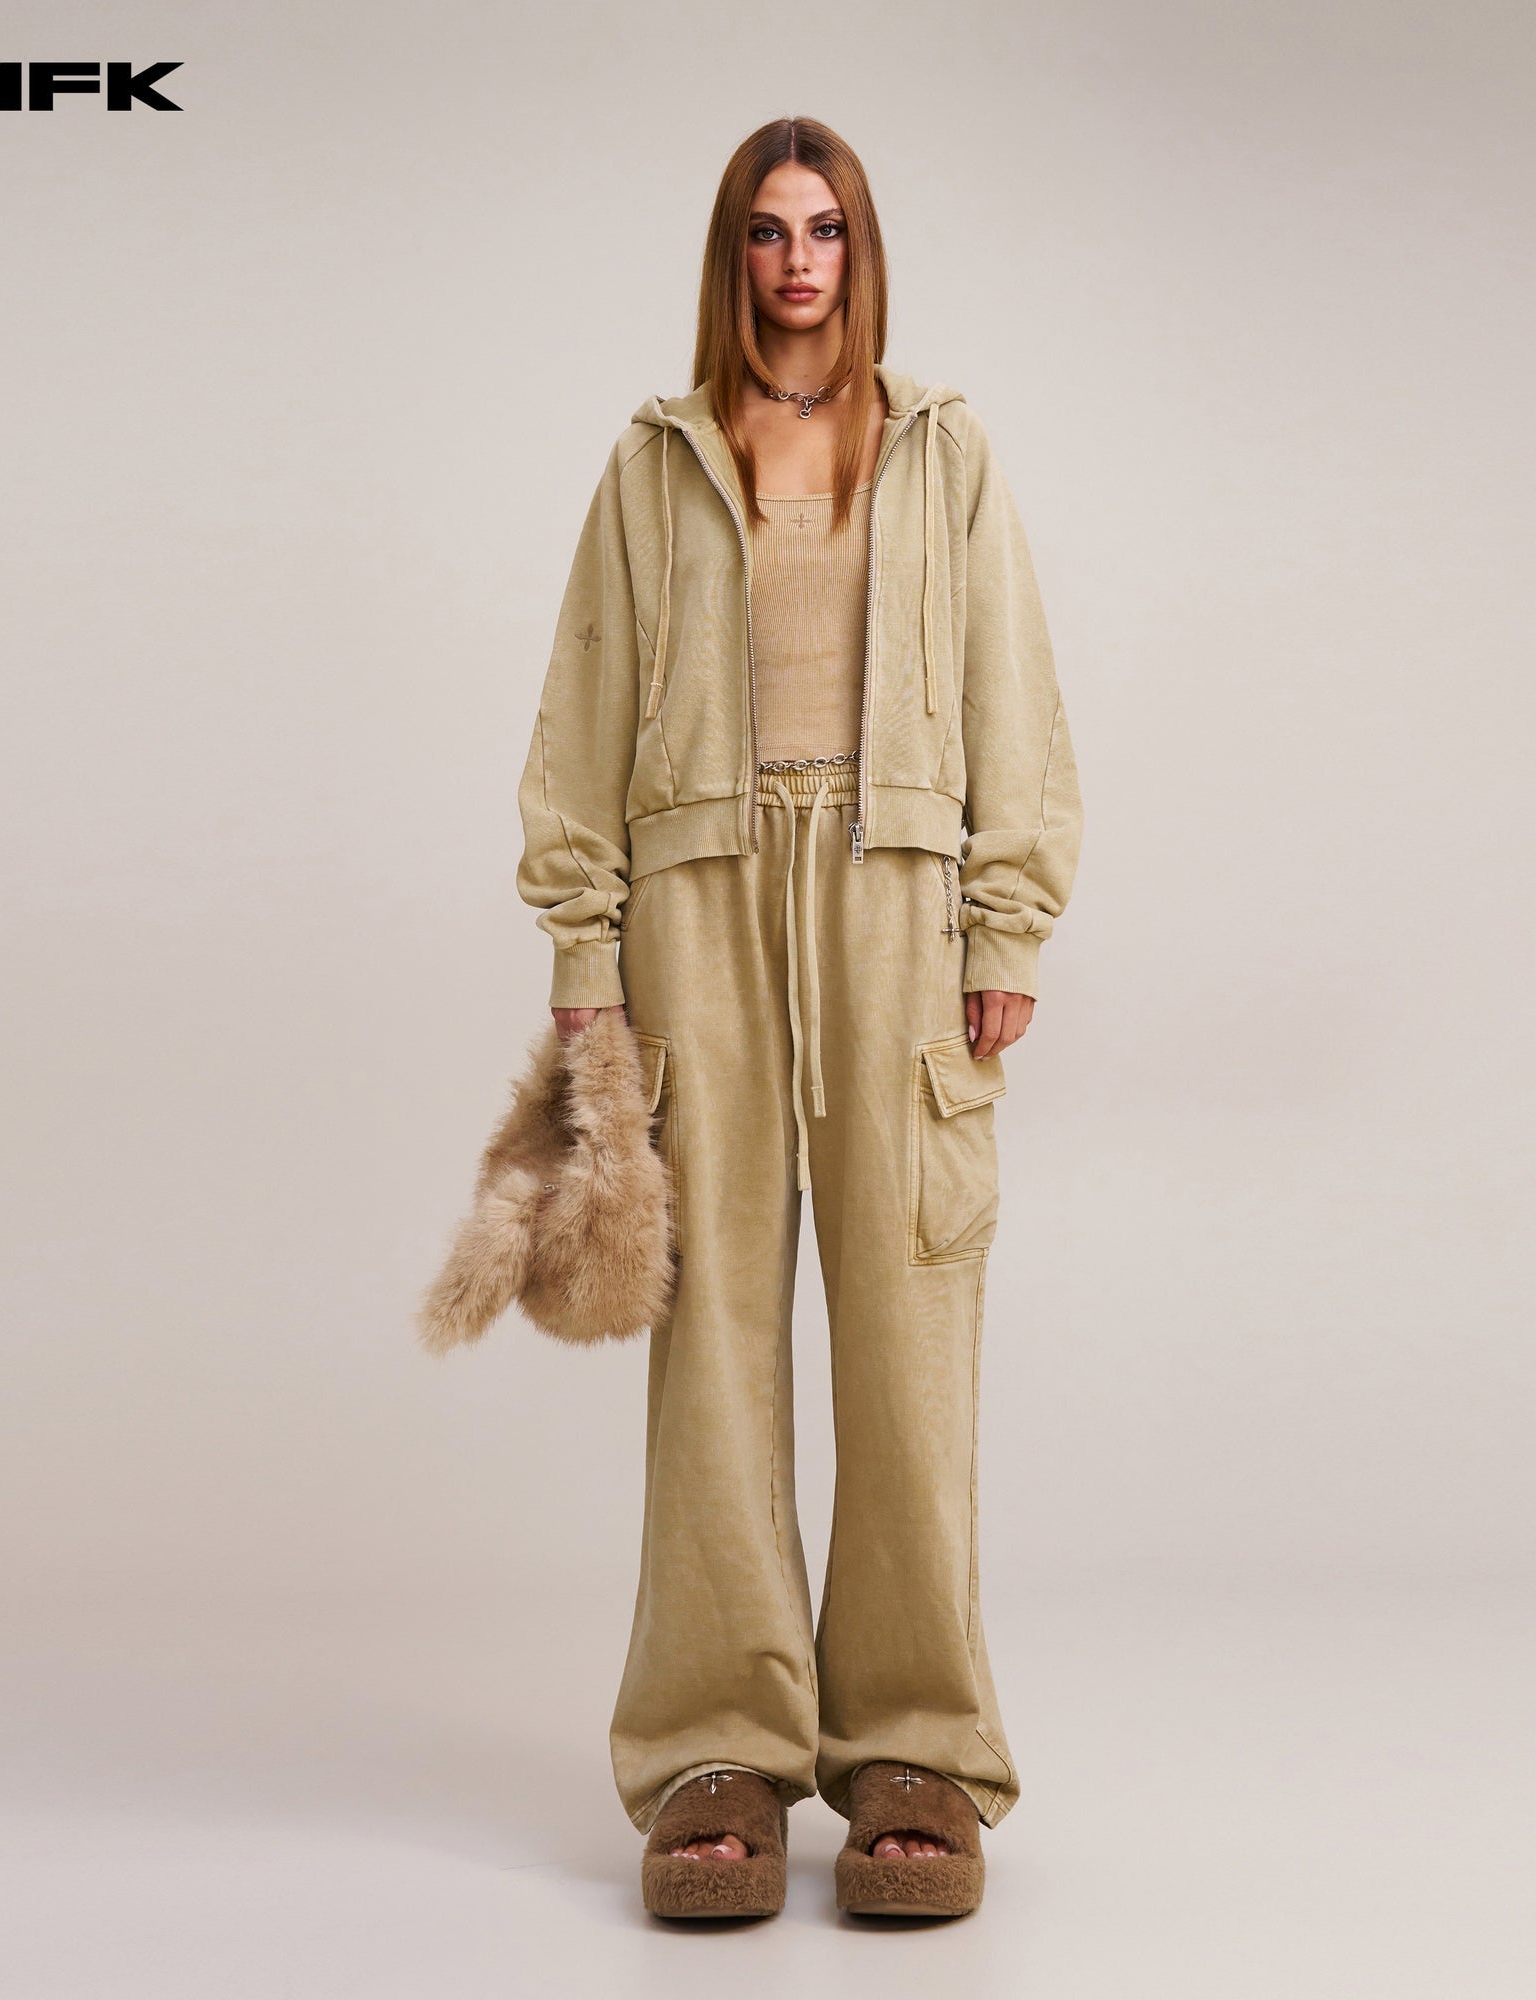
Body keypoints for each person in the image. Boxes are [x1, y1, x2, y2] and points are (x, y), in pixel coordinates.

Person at [514, 114, 1082, 1920]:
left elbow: (1014, 693)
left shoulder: (944, 451)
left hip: (897, 905)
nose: (798, 262)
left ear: (861, 250)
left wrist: (1005, 918)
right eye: (767, 232)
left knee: (911, 1333)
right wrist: (587, 967)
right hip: (697, 910)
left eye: (824, 229)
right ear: (732, 257)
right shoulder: (654, 460)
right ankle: (718, 1753)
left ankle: (916, 1747)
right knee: (713, 1337)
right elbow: (580, 718)